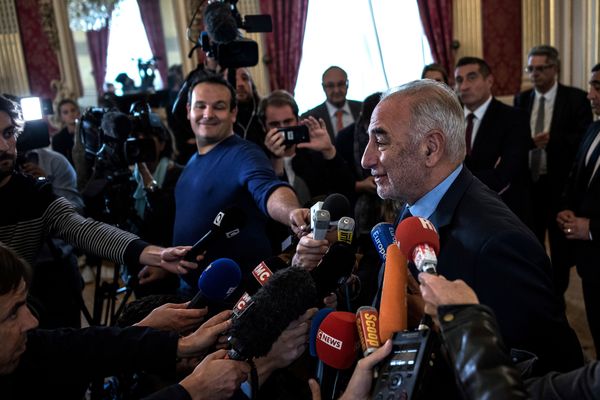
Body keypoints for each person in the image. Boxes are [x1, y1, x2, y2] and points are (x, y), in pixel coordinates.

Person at [361, 80, 582, 374]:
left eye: (381, 140)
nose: (366, 159)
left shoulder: (499, 244)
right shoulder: (416, 202)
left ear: (430, 148)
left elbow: (549, 368)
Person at [0, 243, 253, 399]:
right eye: (13, 312)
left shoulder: (26, 347)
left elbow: (74, 347)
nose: (32, 320)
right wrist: (192, 391)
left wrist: (177, 344)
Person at [0, 94, 196, 281]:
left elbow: (83, 229)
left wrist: (158, 255)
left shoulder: (34, 193)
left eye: (8, 133)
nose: (3, 146)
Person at [173, 73, 304, 295]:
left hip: (236, 295)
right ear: (188, 111)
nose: (208, 114)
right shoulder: (191, 162)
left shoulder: (245, 153)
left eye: (219, 106)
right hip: (191, 289)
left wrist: (292, 212)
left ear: (233, 113)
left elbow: (268, 188)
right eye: (201, 106)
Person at [514, 45, 593, 299]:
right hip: (530, 185)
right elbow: (516, 142)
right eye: (531, 69)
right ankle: (537, 293)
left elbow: (583, 140)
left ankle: (557, 297)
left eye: (540, 69)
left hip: (560, 188)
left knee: (560, 252)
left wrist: (552, 140)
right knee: (531, 245)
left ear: (555, 69)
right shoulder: (522, 99)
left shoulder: (576, 98)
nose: (534, 74)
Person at [454, 56, 533, 225]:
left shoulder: (514, 118)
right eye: (459, 80)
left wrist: (452, 179)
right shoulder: (448, 120)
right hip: (458, 215)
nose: (464, 86)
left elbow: (504, 176)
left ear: (489, 80)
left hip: (503, 214)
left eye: (472, 77)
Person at [556, 63, 600, 358]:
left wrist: (592, 227)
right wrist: (566, 209)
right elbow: (575, 176)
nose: (589, 94)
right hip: (591, 263)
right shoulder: (594, 127)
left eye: (597, 86)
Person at [260, 89, 354, 206]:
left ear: (297, 120)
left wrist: (329, 151)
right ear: (264, 127)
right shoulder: (257, 159)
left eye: (288, 122)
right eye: (275, 124)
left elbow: (347, 189)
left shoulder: (312, 153)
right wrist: (277, 161)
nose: (283, 129)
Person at [301, 66, 362, 140]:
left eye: (341, 84)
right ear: (323, 87)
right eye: (330, 86)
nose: (336, 90)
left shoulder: (363, 108)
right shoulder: (310, 118)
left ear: (347, 84)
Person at [51, 98, 80, 166]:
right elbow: (60, 163)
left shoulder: (89, 132)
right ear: (61, 117)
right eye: (65, 112)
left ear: (78, 112)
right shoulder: (57, 139)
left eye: (73, 110)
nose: (70, 114)